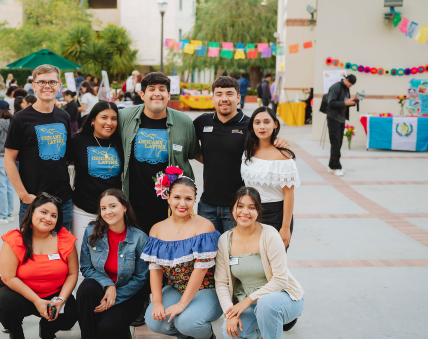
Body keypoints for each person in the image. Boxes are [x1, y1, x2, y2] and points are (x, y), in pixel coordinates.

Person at [118, 72, 200, 326]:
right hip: (133, 202)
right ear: (141, 94)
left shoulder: (184, 122)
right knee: (136, 254)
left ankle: (167, 301)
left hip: (169, 207)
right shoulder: (124, 117)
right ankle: (138, 302)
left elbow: (195, 154)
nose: (157, 93)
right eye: (151, 89)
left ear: (168, 94)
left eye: (162, 89)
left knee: (168, 254)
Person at [215, 187, 304, 339]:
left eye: (251, 207)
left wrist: (247, 300)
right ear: (232, 209)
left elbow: (280, 279)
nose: (245, 212)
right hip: (250, 304)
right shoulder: (225, 240)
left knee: (266, 305)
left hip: (282, 298)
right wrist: (230, 312)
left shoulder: (270, 235)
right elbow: (220, 282)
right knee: (230, 335)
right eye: (240, 206)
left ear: (258, 211)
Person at [193, 76, 290, 234]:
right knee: (208, 256)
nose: (224, 99)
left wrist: (281, 142)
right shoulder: (202, 122)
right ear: (212, 98)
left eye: (229, 94)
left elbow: (267, 147)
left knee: (235, 255)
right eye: (219, 94)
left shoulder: (250, 125)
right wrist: (210, 160)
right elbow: (190, 147)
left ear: (238, 97)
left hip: (239, 206)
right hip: (207, 206)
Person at [142, 174, 222, 339]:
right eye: (177, 197)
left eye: (188, 198)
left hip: (206, 289)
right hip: (177, 287)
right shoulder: (157, 229)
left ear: (195, 200)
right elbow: (155, 269)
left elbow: (201, 269)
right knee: (154, 321)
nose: (182, 203)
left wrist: (181, 305)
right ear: (168, 197)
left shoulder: (204, 227)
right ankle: (183, 336)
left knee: (187, 321)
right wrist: (158, 301)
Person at [0, 193, 79, 339]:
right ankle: (16, 337)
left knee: (72, 312)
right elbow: (9, 277)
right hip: (20, 294)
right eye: (44, 212)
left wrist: (61, 300)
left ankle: (47, 331)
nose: (48, 218)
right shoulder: (15, 239)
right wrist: (37, 301)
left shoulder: (64, 239)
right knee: (6, 303)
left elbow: (73, 273)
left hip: (53, 294)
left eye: (54, 215)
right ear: (32, 212)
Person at [76, 189, 149, 339]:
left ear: (124, 207)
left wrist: (115, 296)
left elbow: (141, 278)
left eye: (112, 206)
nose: (108, 212)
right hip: (103, 288)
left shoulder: (139, 238)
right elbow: (86, 268)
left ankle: (120, 331)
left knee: (106, 328)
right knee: (86, 289)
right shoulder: (91, 232)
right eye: (103, 208)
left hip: (130, 293)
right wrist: (108, 285)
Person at [4, 64, 74, 231]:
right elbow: (9, 159)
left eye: (52, 82)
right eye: (42, 82)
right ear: (34, 86)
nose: (47, 86)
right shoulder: (20, 120)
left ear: (59, 86)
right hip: (33, 201)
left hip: (62, 201)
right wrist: (23, 195)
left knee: (63, 253)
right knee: (31, 253)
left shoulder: (64, 116)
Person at [241, 107, 299, 250]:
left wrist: (285, 227)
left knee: (273, 266)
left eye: (267, 122)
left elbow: (288, 194)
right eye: (257, 122)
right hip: (250, 214)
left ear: (275, 124)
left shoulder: (283, 155)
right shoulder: (248, 151)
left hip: (275, 215)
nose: (262, 126)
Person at [68, 101, 123, 248]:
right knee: (83, 259)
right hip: (83, 211)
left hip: (113, 213)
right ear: (93, 120)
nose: (109, 123)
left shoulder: (121, 143)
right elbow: (59, 167)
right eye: (104, 117)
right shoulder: (78, 142)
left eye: (114, 118)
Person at [326, 74, 356, 176]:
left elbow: (345, 101)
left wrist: (352, 102)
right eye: (350, 84)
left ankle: (332, 165)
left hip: (341, 119)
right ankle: (336, 166)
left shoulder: (345, 88)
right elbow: (331, 103)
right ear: (346, 80)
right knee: (335, 143)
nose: (350, 86)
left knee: (338, 142)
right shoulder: (336, 87)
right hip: (333, 118)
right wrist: (345, 103)